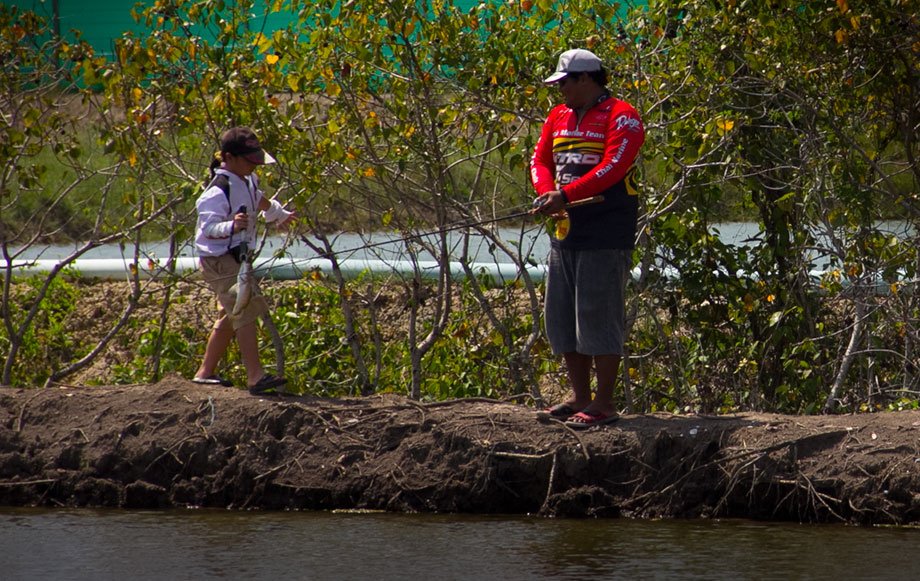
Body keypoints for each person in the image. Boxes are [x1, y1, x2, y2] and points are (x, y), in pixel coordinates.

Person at [530, 49, 645, 428]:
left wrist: (565, 195)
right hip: (567, 229)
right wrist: (549, 193)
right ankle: (579, 396)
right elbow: (540, 160)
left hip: (606, 229)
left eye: (564, 83)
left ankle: (604, 403)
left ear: (586, 79)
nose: (559, 90)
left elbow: (614, 166)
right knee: (561, 316)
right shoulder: (558, 116)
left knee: (597, 314)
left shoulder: (623, 116)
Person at [192, 126, 296, 395]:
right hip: (218, 259)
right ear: (229, 157)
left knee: (230, 314)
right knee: (245, 307)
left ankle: (205, 372)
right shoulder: (217, 191)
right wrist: (231, 226)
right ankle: (255, 376)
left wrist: (278, 214)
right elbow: (207, 230)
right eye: (249, 160)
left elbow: (257, 200)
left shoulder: (247, 180)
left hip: (237, 259)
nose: (254, 165)